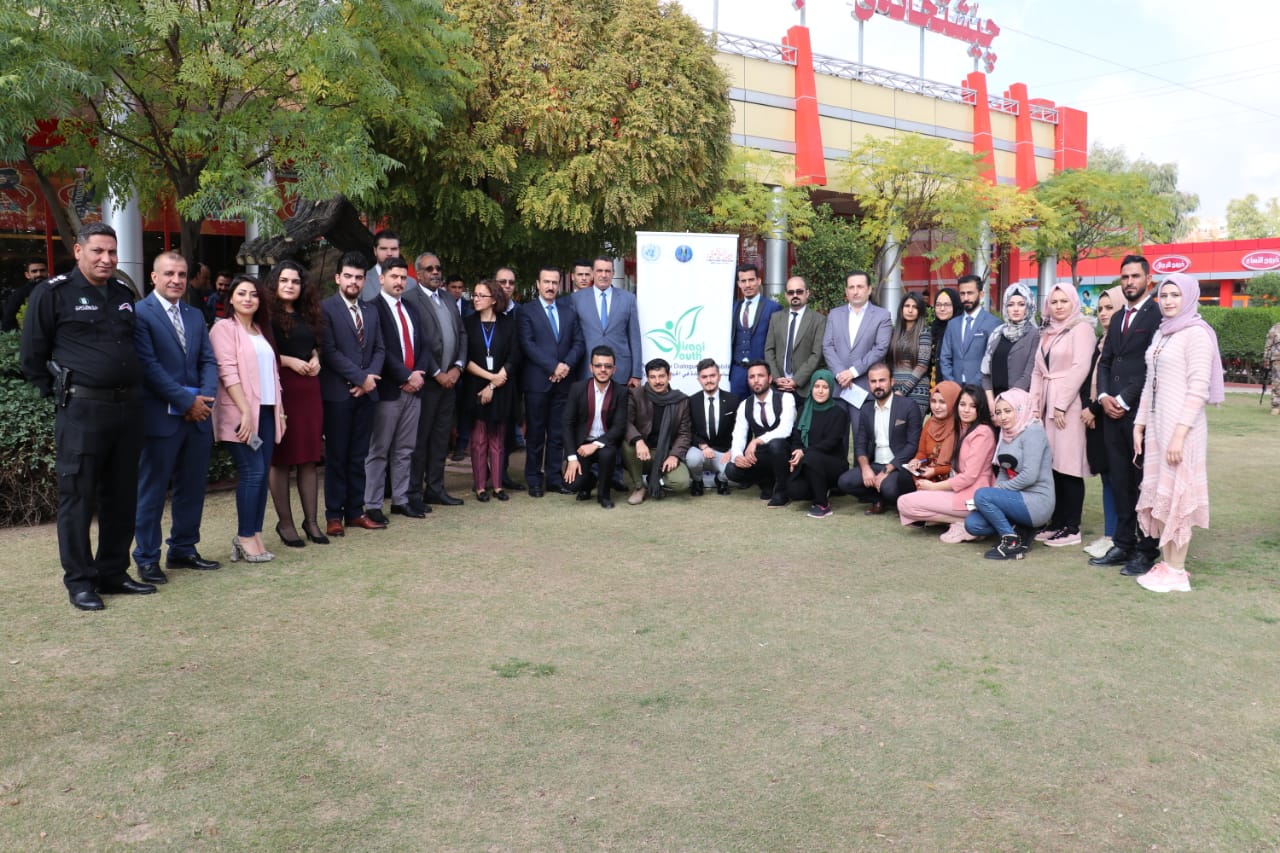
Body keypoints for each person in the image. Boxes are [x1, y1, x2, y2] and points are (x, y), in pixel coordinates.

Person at [20, 223, 156, 611]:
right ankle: (80, 582)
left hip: (127, 409)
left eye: (112, 252)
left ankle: (113, 572)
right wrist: (63, 396)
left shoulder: (123, 293)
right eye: (98, 251)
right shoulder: (53, 293)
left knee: (122, 495)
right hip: (82, 410)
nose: (106, 259)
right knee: (78, 497)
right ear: (78, 251)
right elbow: (32, 357)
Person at [1132, 272, 1225, 593]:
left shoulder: (1197, 333)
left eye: (1175, 295)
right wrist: (1139, 424)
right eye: (1164, 295)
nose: (1169, 301)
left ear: (1189, 297)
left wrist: (1179, 434)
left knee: (1179, 496)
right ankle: (1167, 562)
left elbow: (1198, 388)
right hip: (1158, 427)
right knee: (1161, 494)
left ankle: (1178, 570)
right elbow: (1150, 383)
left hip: (1183, 430)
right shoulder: (1163, 333)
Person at [132, 252, 221, 585]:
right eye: (169, 273)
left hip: (197, 418)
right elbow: (148, 366)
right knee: (152, 491)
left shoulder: (194, 315)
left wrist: (205, 398)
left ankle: (183, 549)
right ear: (154, 277)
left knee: (192, 488)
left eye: (182, 274)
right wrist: (186, 401)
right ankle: (146, 557)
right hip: (160, 419)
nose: (176, 280)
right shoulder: (140, 313)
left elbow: (208, 360)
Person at [1091, 254, 1162, 576]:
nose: (1129, 282)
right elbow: (1106, 361)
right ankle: (1123, 543)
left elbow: (1152, 366)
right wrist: (1104, 397)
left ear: (1148, 279)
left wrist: (1122, 399)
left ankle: (1146, 549)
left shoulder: (1157, 315)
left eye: (1135, 276)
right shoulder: (1118, 317)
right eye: (1125, 277)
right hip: (1111, 414)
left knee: (1142, 483)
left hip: (1140, 413)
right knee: (1119, 481)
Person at [210, 274, 286, 563]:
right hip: (240, 414)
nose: (248, 299)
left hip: (266, 412)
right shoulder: (223, 329)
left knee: (261, 473)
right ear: (231, 298)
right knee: (252, 471)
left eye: (253, 294)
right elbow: (227, 373)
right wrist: (245, 412)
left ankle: (254, 534)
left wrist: (280, 411)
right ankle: (244, 537)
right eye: (241, 293)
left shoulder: (260, 330)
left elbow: (273, 375)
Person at [319, 253, 386, 535]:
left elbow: (380, 349)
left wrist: (368, 379)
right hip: (338, 395)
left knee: (358, 456)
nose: (353, 282)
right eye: (348, 276)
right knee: (337, 457)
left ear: (365, 280)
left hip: (366, 396)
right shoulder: (325, 309)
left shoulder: (371, 310)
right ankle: (334, 515)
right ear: (338, 278)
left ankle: (356, 511)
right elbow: (329, 351)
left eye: (358, 277)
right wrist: (361, 378)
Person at [265, 261, 328, 546]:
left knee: (309, 458)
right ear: (275, 283)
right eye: (284, 280)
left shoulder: (309, 313)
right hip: (281, 389)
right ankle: (286, 524)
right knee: (281, 459)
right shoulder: (265, 315)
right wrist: (289, 361)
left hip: (309, 389)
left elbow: (314, 344)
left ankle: (311, 522)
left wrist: (315, 357)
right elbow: (260, 353)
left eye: (295, 281)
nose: (290, 285)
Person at [1029, 282, 1095, 548]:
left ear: (1073, 303)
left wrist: (1061, 404)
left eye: (1063, 301)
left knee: (1069, 466)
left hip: (1067, 406)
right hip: (1047, 403)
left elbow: (1080, 367)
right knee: (1052, 465)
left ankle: (1071, 526)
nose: (1058, 307)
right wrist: (1034, 406)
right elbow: (1037, 371)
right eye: (1054, 302)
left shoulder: (1082, 329)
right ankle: (1056, 521)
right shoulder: (1047, 332)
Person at [363, 257, 429, 523]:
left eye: (403, 277)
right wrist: (405, 376)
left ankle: (401, 500)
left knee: (405, 449)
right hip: (389, 390)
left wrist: (418, 374)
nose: (399, 282)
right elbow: (381, 350)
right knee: (379, 449)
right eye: (394, 277)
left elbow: (424, 345)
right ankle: (373, 503)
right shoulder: (372, 308)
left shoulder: (411, 308)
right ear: (382, 279)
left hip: (414, 390)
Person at [404, 252, 468, 509]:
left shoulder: (448, 298)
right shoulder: (410, 299)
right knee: (420, 440)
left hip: (450, 382)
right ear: (418, 273)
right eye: (429, 269)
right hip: (427, 383)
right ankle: (413, 493)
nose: (435, 272)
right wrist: (437, 373)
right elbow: (416, 341)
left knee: (441, 438)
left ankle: (436, 488)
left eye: (438, 268)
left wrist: (458, 367)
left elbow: (462, 334)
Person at [897, 384, 997, 543]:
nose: (966, 410)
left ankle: (966, 521)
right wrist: (919, 463)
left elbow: (969, 477)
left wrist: (934, 487)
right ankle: (963, 521)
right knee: (907, 503)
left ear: (980, 408)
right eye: (962, 404)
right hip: (957, 490)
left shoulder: (982, 433)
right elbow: (924, 453)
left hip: (973, 497)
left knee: (905, 503)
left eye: (972, 406)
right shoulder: (963, 427)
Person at [964, 388, 1055, 560]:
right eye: (998, 413)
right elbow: (1004, 471)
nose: (1003, 417)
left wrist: (998, 490)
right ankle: (1020, 528)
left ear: (1020, 409)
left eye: (1008, 411)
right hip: (1016, 498)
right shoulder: (1006, 434)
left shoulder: (1033, 431)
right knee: (973, 524)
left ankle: (1012, 542)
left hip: (1037, 502)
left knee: (982, 495)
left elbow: (1030, 475)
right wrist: (997, 491)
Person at [518, 266, 584, 496]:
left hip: (564, 383)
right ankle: (534, 480)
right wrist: (553, 366)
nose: (550, 286)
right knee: (536, 434)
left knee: (558, 434)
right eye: (546, 282)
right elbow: (528, 344)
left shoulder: (568, 311)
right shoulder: (526, 311)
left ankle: (555, 479)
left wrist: (565, 366)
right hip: (538, 383)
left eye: (554, 282)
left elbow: (579, 343)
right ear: (538, 284)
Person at [835, 363, 923, 515]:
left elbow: (912, 445)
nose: (878, 385)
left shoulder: (908, 406)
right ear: (868, 384)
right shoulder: (866, 409)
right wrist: (865, 468)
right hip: (875, 464)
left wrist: (886, 470)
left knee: (889, 489)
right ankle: (877, 499)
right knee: (844, 482)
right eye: (873, 381)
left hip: (898, 466)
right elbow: (860, 444)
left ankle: (891, 498)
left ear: (892, 382)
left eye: (882, 380)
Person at [462, 280, 522, 501]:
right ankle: (480, 486)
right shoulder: (468, 323)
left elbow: (514, 357)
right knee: (478, 440)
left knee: (498, 439)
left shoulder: (508, 324)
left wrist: (494, 384)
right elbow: (464, 359)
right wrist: (490, 380)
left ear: (494, 300)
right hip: (476, 387)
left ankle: (497, 486)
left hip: (502, 388)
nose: (476, 299)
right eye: (475, 295)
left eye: (481, 295)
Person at [821, 270, 892, 446]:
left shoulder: (882, 315)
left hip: (864, 387)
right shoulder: (834, 314)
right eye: (851, 287)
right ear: (846, 291)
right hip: (839, 387)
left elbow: (880, 348)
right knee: (836, 441)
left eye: (860, 286)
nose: (855, 291)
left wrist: (852, 372)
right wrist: (840, 373)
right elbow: (827, 346)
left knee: (864, 443)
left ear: (869, 289)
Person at [1079, 286, 1122, 559]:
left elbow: (1116, 382)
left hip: (1115, 419)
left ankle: (1119, 536)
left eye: (1110, 308)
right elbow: (1090, 379)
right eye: (1100, 309)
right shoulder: (1101, 342)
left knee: (1118, 481)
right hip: (1098, 422)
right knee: (1107, 479)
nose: (1104, 313)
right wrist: (1089, 407)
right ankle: (1110, 534)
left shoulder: (1123, 343)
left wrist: (1094, 408)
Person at [562, 346, 630, 508]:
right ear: (591, 367)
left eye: (607, 366)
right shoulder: (578, 388)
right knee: (572, 485)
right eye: (598, 365)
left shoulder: (621, 392)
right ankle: (589, 483)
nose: (603, 369)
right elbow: (567, 423)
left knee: (607, 454)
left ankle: (604, 495)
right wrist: (572, 458)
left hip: (605, 442)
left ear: (614, 369)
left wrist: (596, 444)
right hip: (581, 444)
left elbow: (619, 426)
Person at [725, 360, 798, 507]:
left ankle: (781, 491)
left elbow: (785, 429)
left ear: (770, 379)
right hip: (763, 456)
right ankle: (766, 482)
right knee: (731, 470)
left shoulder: (786, 398)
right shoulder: (745, 405)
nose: (756, 380)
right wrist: (737, 455)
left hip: (785, 454)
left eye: (760, 376)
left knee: (776, 445)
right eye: (752, 377)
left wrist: (756, 440)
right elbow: (739, 435)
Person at [624, 358, 692, 504]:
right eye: (653, 377)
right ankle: (639, 487)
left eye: (661, 376)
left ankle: (655, 481)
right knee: (627, 444)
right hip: (642, 453)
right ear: (647, 378)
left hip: (665, 453)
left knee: (681, 482)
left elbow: (684, 433)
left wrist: (674, 455)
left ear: (669, 376)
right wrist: (638, 440)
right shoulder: (636, 395)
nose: (657, 381)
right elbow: (625, 422)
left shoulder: (681, 400)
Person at [784, 369, 849, 518]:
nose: (820, 391)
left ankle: (822, 505)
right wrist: (796, 452)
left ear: (831, 389)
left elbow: (830, 443)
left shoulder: (839, 413)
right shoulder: (803, 410)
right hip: (808, 462)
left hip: (833, 464)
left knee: (812, 457)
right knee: (794, 490)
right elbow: (796, 438)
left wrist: (804, 452)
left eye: (825, 387)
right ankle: (821, 488)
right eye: (817, 386)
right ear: (811, 388)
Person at [573, 257, 643, 386]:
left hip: (621, 371)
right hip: (587, 370)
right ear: (593, 273)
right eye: (599, 271)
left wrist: (636, 374)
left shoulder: (628, 299)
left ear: (613, 273)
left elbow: (634, 338)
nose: (603, 275)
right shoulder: (576, 299)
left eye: (607, 271)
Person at [765, 275, 827, 399]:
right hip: (778, 387)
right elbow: (769, 349)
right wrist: (776, 378)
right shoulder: (776, 318)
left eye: (799, 291)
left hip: (803, 389)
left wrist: (796, 380)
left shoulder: (819, 320)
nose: (795, 295)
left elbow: (816, 355)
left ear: (807, 293)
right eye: (791, 292)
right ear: (786, 295)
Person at [685, 359, 739, 496]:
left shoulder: (733, 400)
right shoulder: (691, 401)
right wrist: (703, 446)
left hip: (724, 451)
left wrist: (732, 450)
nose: (708, 380)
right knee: (692, 459)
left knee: (736, 469)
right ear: (698, 379)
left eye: (712, 375)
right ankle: (697, 481)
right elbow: (688, 430)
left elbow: (740, 429)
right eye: (704, 377)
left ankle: (721, 480)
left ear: (719, 376)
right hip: (700, 449)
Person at [980, 282, 1038, 402]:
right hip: (994, 400)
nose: (1016, 309)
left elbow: (1028, 376)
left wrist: (1006, 401)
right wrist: (991, 402)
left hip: (1018, 401)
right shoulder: (997, 333)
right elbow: (985, 373)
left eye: (1021, 304)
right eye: (1011, 305)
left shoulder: (1034, 335)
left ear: (1029, 306)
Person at [728, 264, 781, 398]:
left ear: (759, 281)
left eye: (751, 280)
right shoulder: (732, 307)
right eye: (743, 281)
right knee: (737, 407)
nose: (747, 285)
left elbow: (778, 343)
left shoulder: (773, 308)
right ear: (739, 284)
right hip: (737, 372)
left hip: (761, 372)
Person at [938, 274, 1000, 385]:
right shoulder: (952, 324)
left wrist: (972, 388)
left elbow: (992, 360)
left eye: (970, 293)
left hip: (981, 388)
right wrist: (952, 384)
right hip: (955, 387)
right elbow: (945, 357)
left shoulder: (993, 323)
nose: (966, 298)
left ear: (981, 294)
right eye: (962, 293)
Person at [906, 381, 962, 486]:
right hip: (928, 473)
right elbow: (922, 453)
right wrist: (917, 461)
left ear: (953, 402)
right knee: (903, 476)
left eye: (942, 402)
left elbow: (961, 467)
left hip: (951, 480)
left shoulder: (961, 427)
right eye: (933, 401)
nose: (936, 407)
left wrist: (935, 471)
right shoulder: (930, 423)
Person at [888, 291, 933, 415]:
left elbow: (922, 366)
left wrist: (903, 390)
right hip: (895, 391)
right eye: (907, 306)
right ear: (901, 308)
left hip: (917, 392)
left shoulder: (924, 332)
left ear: (920, 311)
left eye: (915, 307)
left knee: (912, 427)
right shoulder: (894, 332)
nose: (910, 310)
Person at [361, 229, 414, 301]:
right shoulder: (361, 281)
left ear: (399, 251)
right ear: (375, 251)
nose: (389, 253)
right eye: (383, 249)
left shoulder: (412, 283)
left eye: (394, 249)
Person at [2, 257, 49, 332]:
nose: (39, 274)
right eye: (34, 271)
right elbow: (8, 322)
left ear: (47, 272)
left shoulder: (55, 291)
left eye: (42, 270)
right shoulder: (18, 295)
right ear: (27, 275)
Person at [928, 286, 959, 386]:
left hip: (955, 385)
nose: (942, 309)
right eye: (938, 305)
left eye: (947, 305)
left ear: (955, 305)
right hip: (934, 385)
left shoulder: (960, 330)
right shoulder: (934, 329)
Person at [1264, 319, 1280, 416]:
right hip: (1277, 360)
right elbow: (1268, 344)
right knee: (1277, 383)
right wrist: (1266, 358)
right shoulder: (1275, 328)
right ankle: (1276, 406)